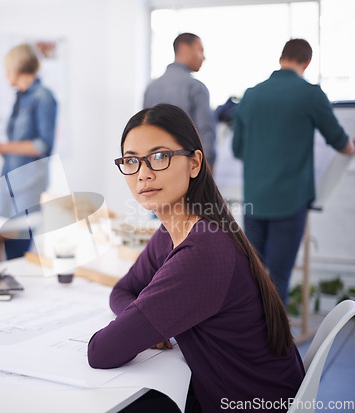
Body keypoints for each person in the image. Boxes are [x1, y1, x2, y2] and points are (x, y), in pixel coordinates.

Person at [87, 104, 304, 413]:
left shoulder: (204, 251)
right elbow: (123, 290)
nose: (143, 173)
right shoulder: (174, 232)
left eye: (159, 157)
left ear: (194, 163)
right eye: (132, 161)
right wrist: (145, 321)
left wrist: (142, 324)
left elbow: (101, 352)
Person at [232, 39, 355, 305]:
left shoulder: (251, 94)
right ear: (307, 62)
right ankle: (275, 343)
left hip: (254, 199)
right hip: (289, 202)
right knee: (278, 277)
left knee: (251, 274)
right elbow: (340, 142)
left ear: (281, 58)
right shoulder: (310, 94)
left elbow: (237, 149)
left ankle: (247, 339)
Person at [0, 43, 57, 259]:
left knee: (17, 251)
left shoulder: (42, 97)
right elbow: (18, 147)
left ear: (18, 67)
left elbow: (42, 146)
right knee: (8, 248)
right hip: (10, 184)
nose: (6, 74)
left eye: (7, 68)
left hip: (27, 186)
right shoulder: (20, 97)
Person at [144, 33, 216, 170]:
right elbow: (206, 132)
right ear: (183, 48)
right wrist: (207, 166)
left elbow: (144, 130)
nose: (203, 57)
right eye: (200, 50)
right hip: (187, 168)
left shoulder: (151, 88)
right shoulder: (196, 87)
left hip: (155, 166)